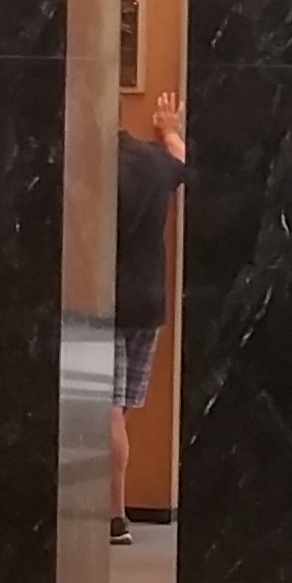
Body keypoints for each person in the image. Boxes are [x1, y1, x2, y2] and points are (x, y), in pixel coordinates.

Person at [112, 94, 187, 545]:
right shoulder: (153, 162)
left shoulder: (99, 168)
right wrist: (170, 131)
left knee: (106, 411)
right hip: (148, 301)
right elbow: (181, 165)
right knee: (118, 410)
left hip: (106, 304)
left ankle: (114, 516)